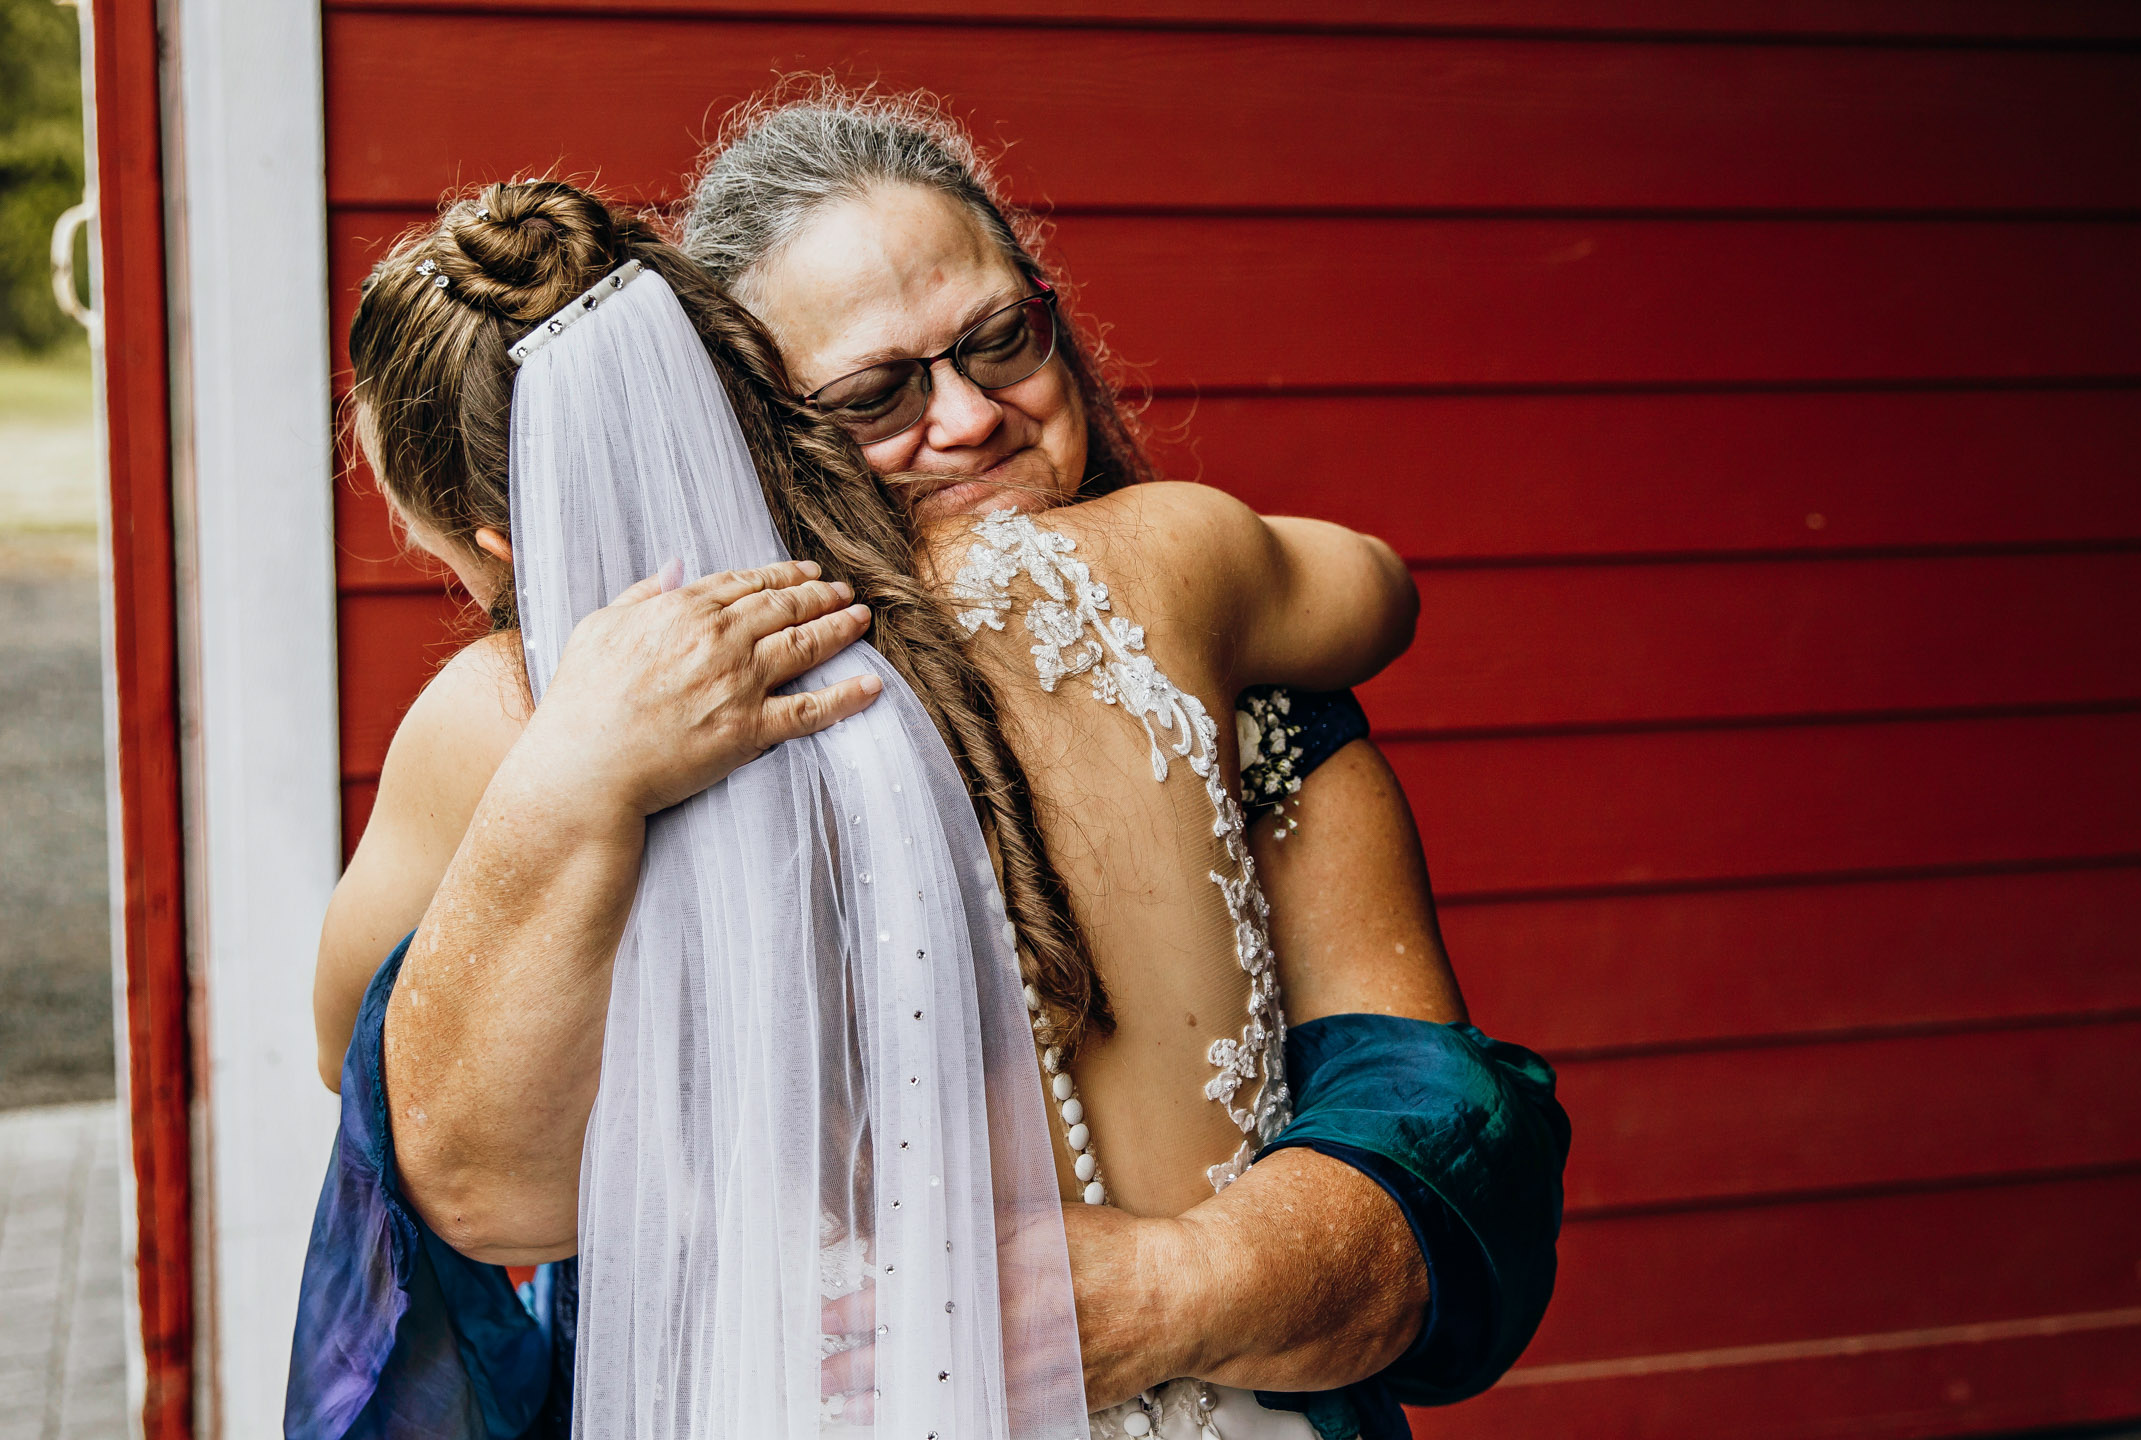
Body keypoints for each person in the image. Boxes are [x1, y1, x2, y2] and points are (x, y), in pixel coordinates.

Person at [300, 98, 1566, 1440]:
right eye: (873, 395)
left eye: (1001, 339)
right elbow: (436, 1131)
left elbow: (1436, 1121)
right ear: (743, 417)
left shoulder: (1215, 639)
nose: (968, 418)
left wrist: (1189, 1282)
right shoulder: (1189, 569)